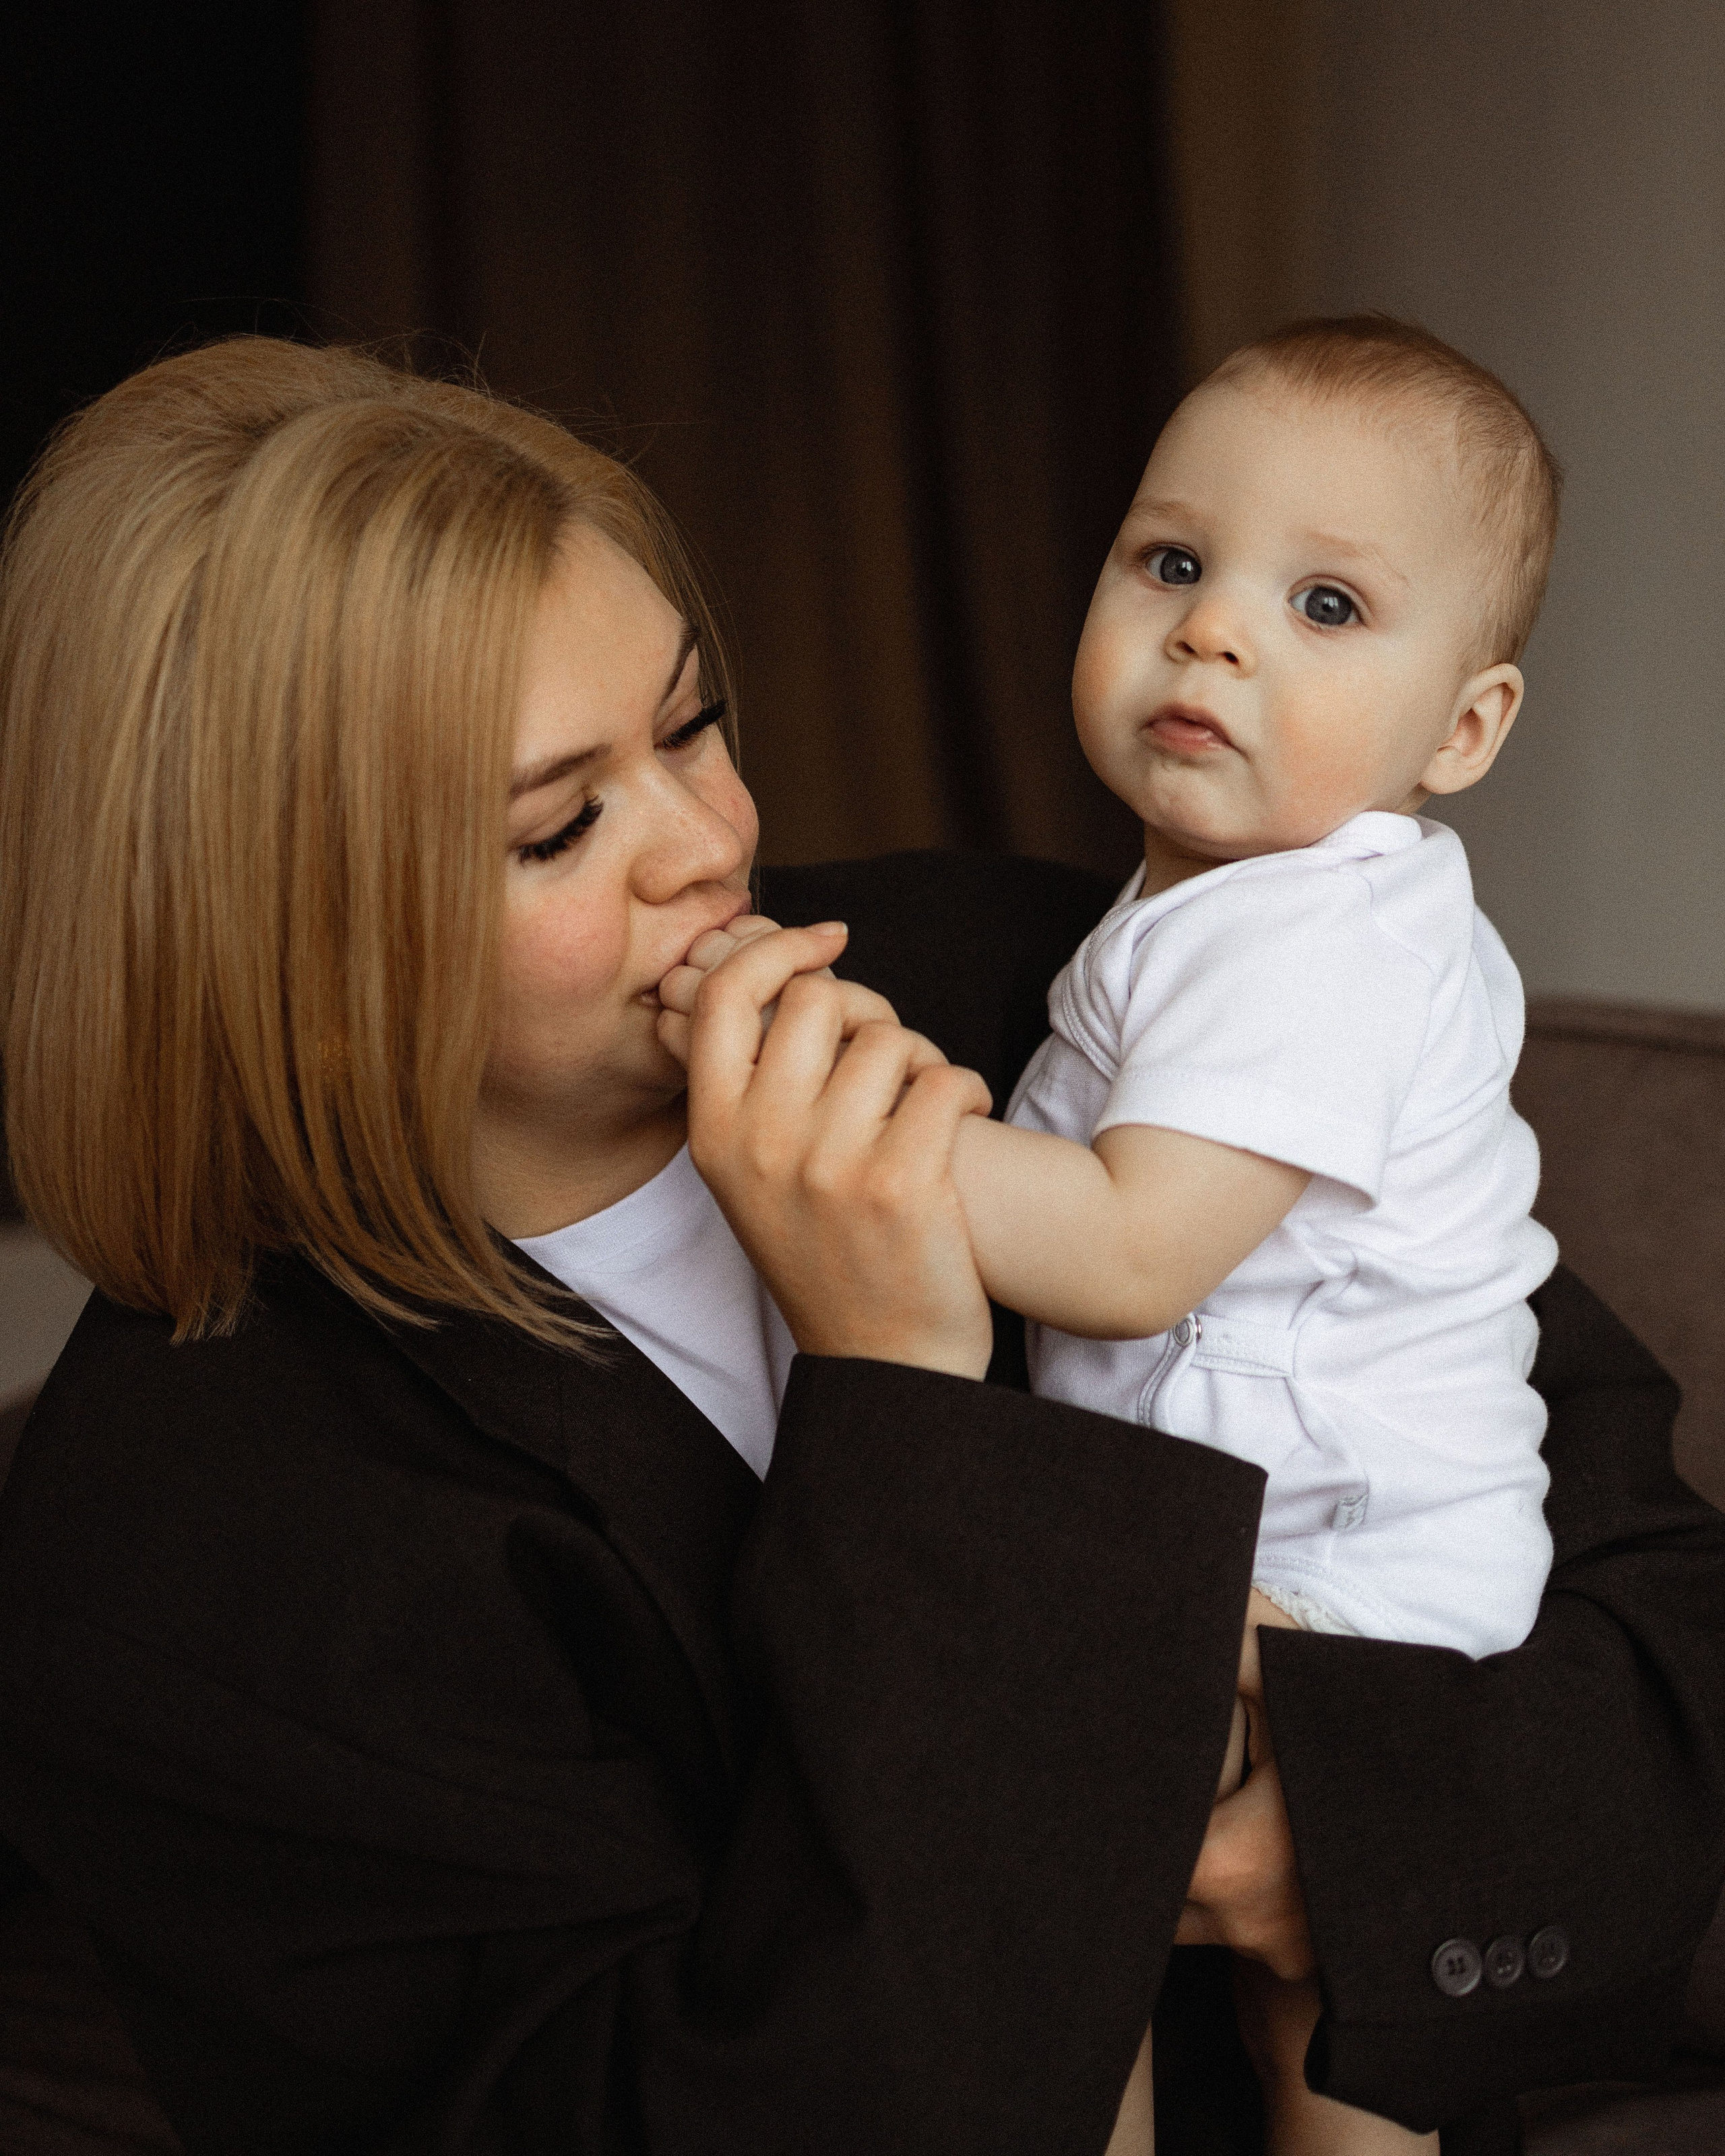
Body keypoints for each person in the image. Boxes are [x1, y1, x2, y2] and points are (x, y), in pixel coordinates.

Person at [0, 339, 1717, 2156]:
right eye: (563, 823)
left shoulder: (1045, 982)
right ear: (293, 962)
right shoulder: (178, 1541)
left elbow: (1658, 1600)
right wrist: (904, 1394)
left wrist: (1361, 1842)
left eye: (691, 725)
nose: (716, 849)